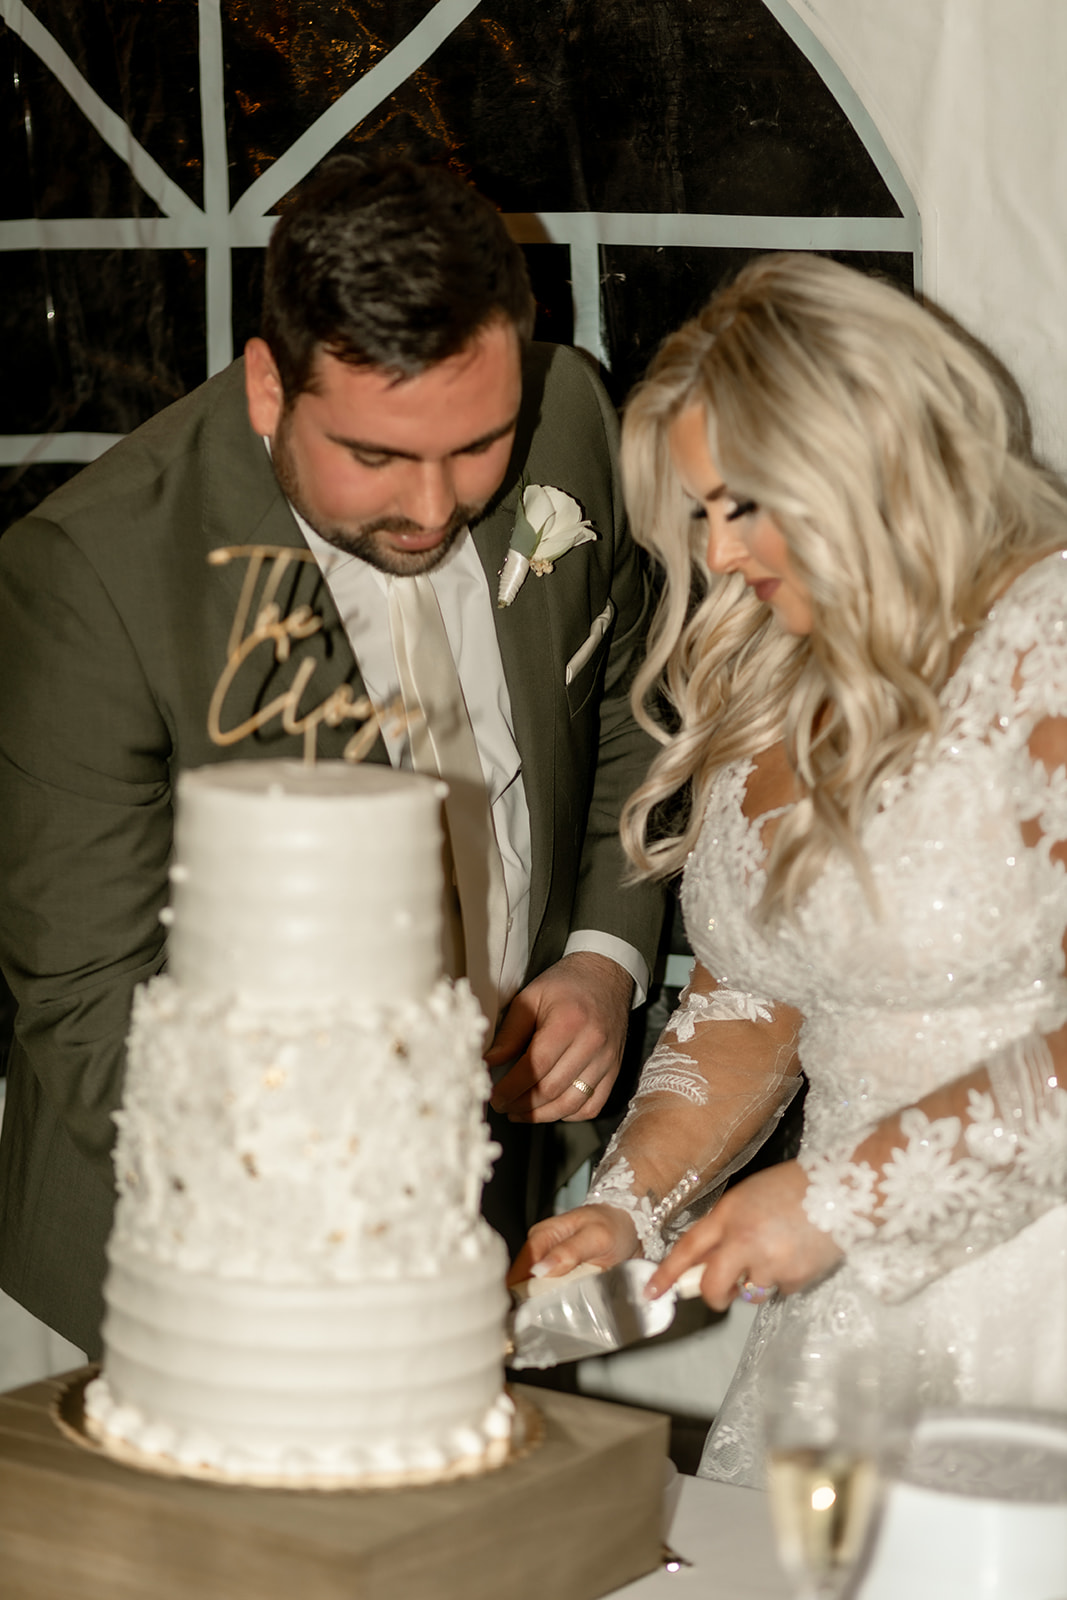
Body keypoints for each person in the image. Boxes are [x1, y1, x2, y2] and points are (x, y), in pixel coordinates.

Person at [0, 156, 664, 1359]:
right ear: (268, 388)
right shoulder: (93, 575)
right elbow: (89, 1009)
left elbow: (625, 696)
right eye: (375, 457)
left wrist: (600, 956)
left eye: (477, 447)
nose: (435, 505)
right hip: (195, 1256)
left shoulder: (565, 410)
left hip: (495, 1195)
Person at [514, 252, 1067, 1486]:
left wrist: (848, 1197)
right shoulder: (769, 665)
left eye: (743, 505)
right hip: (844, 1325)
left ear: (866, 461)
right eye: (701, 513)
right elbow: (754, 999)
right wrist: (631, 1205)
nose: (716, 555)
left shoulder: (1050, 639)